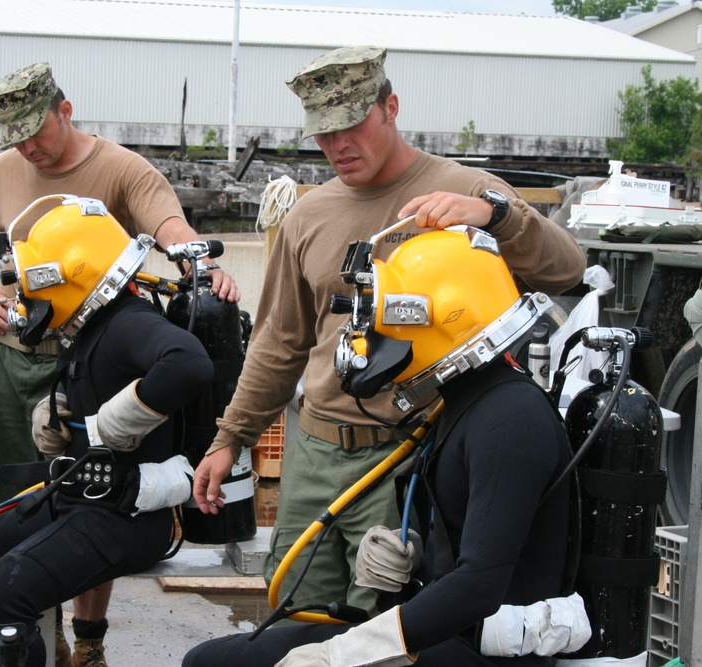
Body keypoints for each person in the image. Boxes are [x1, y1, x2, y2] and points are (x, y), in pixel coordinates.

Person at [192, 45, 586, 618]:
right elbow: (279, 342)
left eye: (352, 125)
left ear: (390, 107)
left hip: (411, 459)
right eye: (323, 135)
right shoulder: (307, 216)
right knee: (292, 614)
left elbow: (566, 268)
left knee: (381, 629)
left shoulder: (461, 191)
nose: (338, 147)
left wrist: (497, 216)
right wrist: (231, 438)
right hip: (315, 456)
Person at [0, 62, 237, 667]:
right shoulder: (0, 172)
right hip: (18, 359)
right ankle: (31, 631)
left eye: (36, 132)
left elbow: (168, 223)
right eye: (14, 138)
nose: (28, 147)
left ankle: (88, 641)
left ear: (65, 111)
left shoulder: (122, 168)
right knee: (11, 494)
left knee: (95, 495)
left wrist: (199, 266)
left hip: (98, 356)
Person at [185, 224, 588, 667]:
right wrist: (412, 554)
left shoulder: (509, 417)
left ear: (441, 312)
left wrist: (346, 654)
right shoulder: (460, 401)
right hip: (447, 632)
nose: (369, 333)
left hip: (483, 651)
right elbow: (462, 533)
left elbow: (480, 583)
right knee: (210, 660)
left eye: (386, 315)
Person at [0, 198, 214, 667]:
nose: (29, 299)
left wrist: (129, 414)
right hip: (87, 496)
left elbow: (189, 364)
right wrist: (62, 413)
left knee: (5, 591)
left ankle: (22, 646)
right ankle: (41, 648)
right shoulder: (90, 326)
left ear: (73, 275)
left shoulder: (129, 321)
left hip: (130, 517)